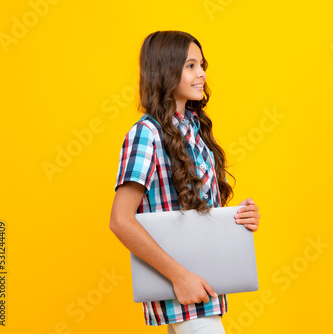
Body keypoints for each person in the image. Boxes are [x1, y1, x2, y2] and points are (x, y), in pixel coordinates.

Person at [109, 30, 261, 334]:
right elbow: (120, 220)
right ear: (165, 70)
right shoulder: (146, 134)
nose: (202, 74)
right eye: (190, 66)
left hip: (204, 287)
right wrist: (179, 277)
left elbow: (195, 214)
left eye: (202, 65)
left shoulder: (194, 129)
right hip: (182, 289)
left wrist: (239, 217)